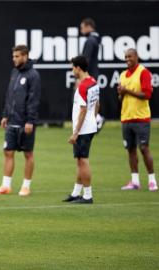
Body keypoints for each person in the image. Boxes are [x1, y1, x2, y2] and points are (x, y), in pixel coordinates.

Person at [0, 45, 41, 197]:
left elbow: (34, 100)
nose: (14, 59)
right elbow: (9, 96)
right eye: (13, 56)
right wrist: (5, 115)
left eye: (17, 56)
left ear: (25, 56)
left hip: (25, 122)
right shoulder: (14, 72)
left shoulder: (33, 75)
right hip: (12, 121)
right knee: (8, 152)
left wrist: (30, 121)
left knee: (28, 154)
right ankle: (6, 186)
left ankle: (26, 186)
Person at [117, 48, 157, 191]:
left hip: (141, 118)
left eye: (130, 56)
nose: (128, 59)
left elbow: (147, 94)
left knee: (144, 148)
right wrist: (121, 93)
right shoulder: (122, 75)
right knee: (131, 150)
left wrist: (127, 91)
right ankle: (135, 181)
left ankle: (152, 180)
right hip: (126, 117)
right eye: (126, 56)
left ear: (137, 57)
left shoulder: (143, 72)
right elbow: (121, 98)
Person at [63, 56, 99, 204]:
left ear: (78, 68)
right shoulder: (94, 82)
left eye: (73, 67)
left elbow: (83, 110)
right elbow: (97, 104)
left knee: (83, 161)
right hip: (89, 126)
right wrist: (94, 120)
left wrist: (76, 133)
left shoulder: (83, 86)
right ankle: (76, 193)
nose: (72, 70)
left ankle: (88, 195)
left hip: (83, 129)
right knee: (79, 160)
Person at [80, 17, 105, 132]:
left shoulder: (90, 40)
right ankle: (95, 119)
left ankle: (98, 118)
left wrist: (82, 76)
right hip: (92, 74)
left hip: (89, 75)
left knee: (86, 99)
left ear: (88, 26)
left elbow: (86, 60)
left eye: (82, 27)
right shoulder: (94, 39)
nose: (81, 30)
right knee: (91, 99)